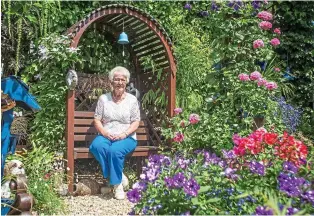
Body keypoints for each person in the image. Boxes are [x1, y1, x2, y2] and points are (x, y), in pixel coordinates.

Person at [89, 66, 140, 200]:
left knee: (115, 151)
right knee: (96, 146)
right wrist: (104, 133)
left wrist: (124, 134)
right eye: (116, 79)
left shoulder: (132, 100)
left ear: (126, 82)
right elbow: (97, 119)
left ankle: (117, 186)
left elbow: (135, 122)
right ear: (111, 81)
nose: (119, 82)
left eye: (122, 80)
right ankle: (119, 176)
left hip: (127, 137)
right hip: (107, 135)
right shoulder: (103, 99)